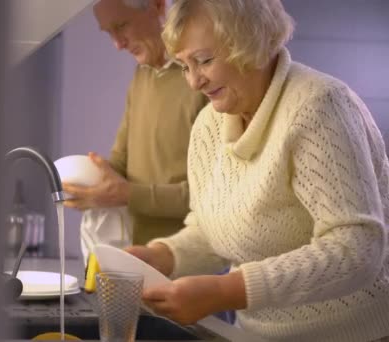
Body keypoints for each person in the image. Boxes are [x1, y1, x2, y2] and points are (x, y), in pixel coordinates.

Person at [125, 0, 389, 341]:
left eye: (204, 61)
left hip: (352, 334)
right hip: (255, 334)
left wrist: (227, 291)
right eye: (184, 66)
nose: (193, 82)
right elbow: (216, 228)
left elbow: (356, 249)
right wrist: (161, 256)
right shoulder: (210, 124)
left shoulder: (320, 107)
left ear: (252, 42)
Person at [62, 0, 207, 251]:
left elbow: (213, 198)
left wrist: (127, 194)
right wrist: (88, 183)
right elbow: (119, 163)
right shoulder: (143, 75)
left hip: (192, 263)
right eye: (108, 32)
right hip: (138, 254)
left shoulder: (205, 82)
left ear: (158, 6)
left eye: (122, 25)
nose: (117, 44)